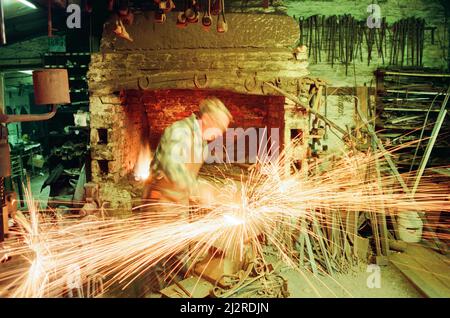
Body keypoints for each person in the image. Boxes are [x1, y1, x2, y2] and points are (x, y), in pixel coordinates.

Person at [142, 96, 232, 215]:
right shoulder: (180, 131)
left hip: (179, 204)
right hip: (160, 204)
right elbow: (172, 167)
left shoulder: (202, 141)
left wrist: (206, 189)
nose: (220, 134)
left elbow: (188, 173)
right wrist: (198, 188)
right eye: (219, 128)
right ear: (206, 119)